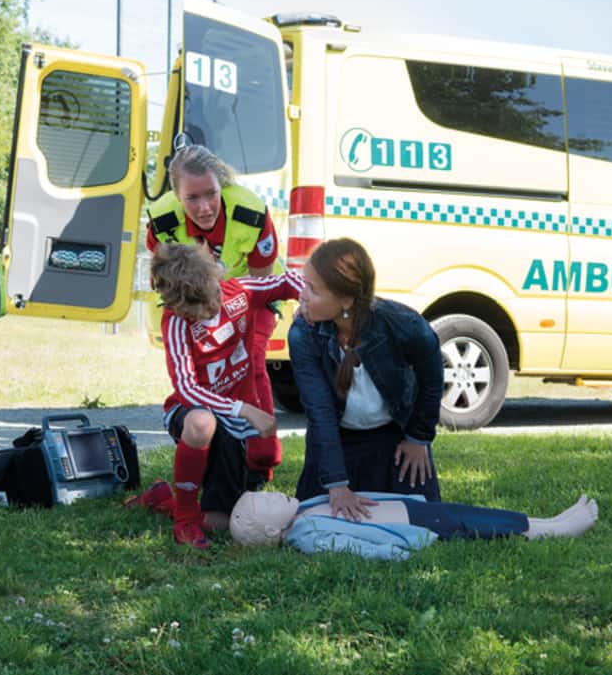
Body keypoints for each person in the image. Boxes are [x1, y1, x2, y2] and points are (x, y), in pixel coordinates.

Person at [142, 243, 303, 549]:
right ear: (179, 306)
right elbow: (187, 389)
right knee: (202, 421)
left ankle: (162, 499)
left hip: (234, 424)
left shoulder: (239, 291)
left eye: (215, 294)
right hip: (194, 414)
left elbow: (288, 281)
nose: (215, 307)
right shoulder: (176, 322)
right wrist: (245, 409)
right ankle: (184, 518)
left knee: (222, 521)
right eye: (202, 307)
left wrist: (305, 301)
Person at [145, 145, 283, 482]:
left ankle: (262, 457)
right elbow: (166, 282)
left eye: (211, 193)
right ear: (177, 196)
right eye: (192, 198)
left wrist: (229, 319)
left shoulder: (250, 213)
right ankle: (209, 445)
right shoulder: (162, 222)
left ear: (222, 185)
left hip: (250, 298)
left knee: (250, 363)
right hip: (196, 305)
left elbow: (262, 284)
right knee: (202, 378)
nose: (204, 207)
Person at [289, 238, 445, 519]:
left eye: (313, 289)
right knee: (311, 520)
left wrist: (418, 438)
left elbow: (432, 378)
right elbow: (320, 411)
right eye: (304, 284)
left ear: (346, 300)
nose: (302, 296)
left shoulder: (404, 324)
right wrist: (336, 483)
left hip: (393, 437)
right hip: (337, 439)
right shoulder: (303, 333)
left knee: (424, 519)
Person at [230, 490, 599, 558]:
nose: (275, 494)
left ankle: (549, 521)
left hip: (412, 510)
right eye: (267, 502)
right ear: (270, 531)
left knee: (478, 513)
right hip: (417, 526)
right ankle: (555, 531)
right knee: (478, 525)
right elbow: (351, 547)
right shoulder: (305, 535)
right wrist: (392, 553)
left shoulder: (303, 511)